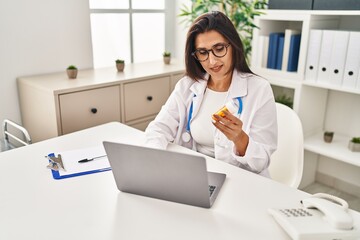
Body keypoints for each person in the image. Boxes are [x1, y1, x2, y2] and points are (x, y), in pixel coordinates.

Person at [145, 11, 277, 177]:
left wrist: (239, 138)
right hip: (196, 175)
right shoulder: (188, 86)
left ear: (233, 46)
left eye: (219, 49)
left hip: (241, 180)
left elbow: (262, 161)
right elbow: (158, 128)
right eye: (203, 52)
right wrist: (153, 159)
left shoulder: (259, 89)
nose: (212, 61)